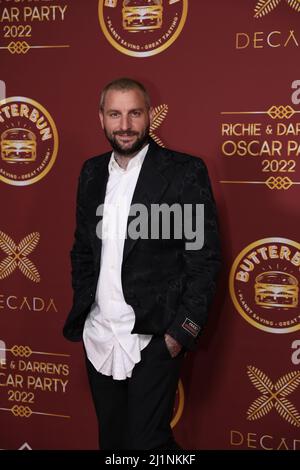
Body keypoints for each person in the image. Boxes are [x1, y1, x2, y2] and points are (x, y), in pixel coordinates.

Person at [63, 78, 221, 450]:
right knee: (113, 443)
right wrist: (87, 316)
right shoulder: (91, 172)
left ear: (150, 115)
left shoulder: (183, 172)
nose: (125, 125)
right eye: (115, 114)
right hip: (100, 335)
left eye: (134, 113)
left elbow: (204, 259)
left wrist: (180, 333)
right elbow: (82, 250)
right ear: (101, 118)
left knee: (148, 443)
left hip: (153, 338)